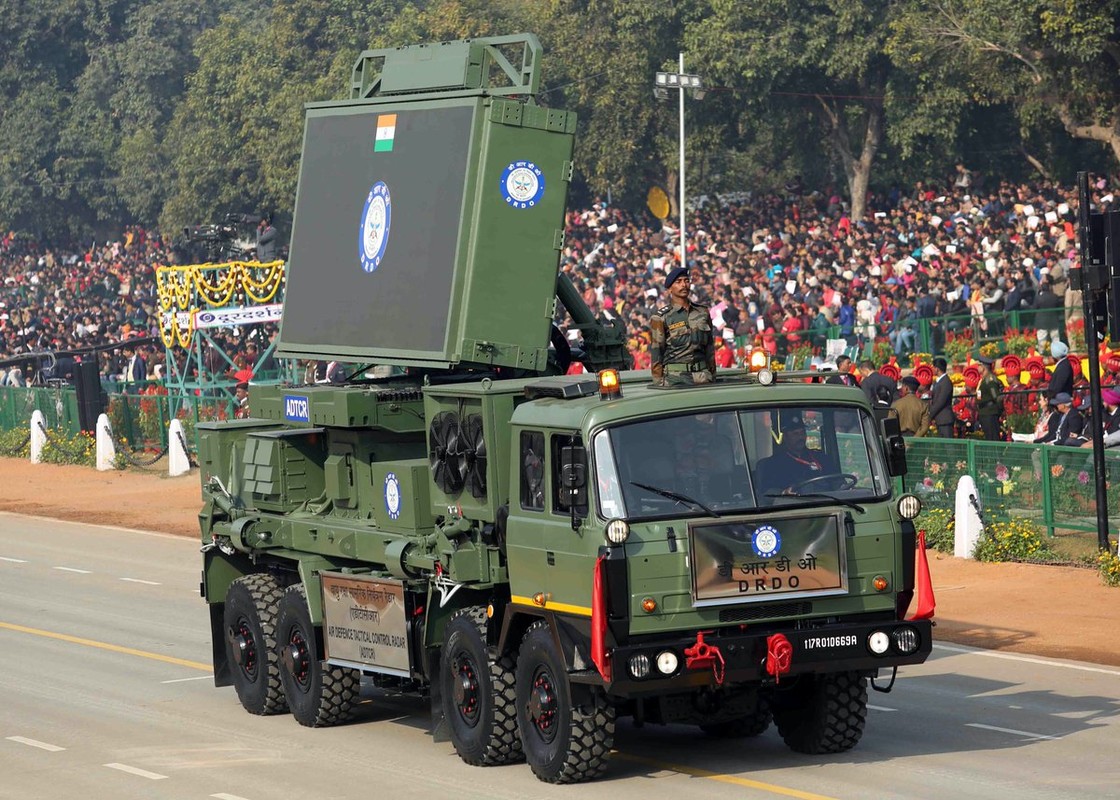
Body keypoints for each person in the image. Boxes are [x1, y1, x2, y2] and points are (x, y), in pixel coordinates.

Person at [649, 266, 716, 386]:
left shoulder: (702, 312)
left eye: (686, 281)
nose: (684, 285)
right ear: (669, 289)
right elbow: (656, 353)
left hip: (703, 377)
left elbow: (709, 348)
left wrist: (712, 375)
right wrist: (658, 383)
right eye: (678, 282)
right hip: (675, 379)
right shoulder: (661, 317)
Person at [754, 413, 836, 498]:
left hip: (827, 503)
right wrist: (783, 493)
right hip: (793, 506)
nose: (800, 437)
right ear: (785, 437)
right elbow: (767, 492)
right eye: (795, 434)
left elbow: (837, 481)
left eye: (802, 433)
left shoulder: (821, 457)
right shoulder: (773, 464)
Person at [975, 355, 1003, 441]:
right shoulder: (984, 380)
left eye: (979, 365)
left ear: (983, 367)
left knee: (993, 439)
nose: (977, 367)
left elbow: (997, 397)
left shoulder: (990, 380)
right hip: (984, 413)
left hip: (990, 414)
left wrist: (999, 412)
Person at [928, 357, 956, 437]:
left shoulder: (946, 382)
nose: (932, 369)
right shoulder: (938, 381)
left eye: (933, 367)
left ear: (937, 369)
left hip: (945, 419)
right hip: (939, 419)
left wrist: (930, 414)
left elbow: (941, 401)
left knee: (948, 446)